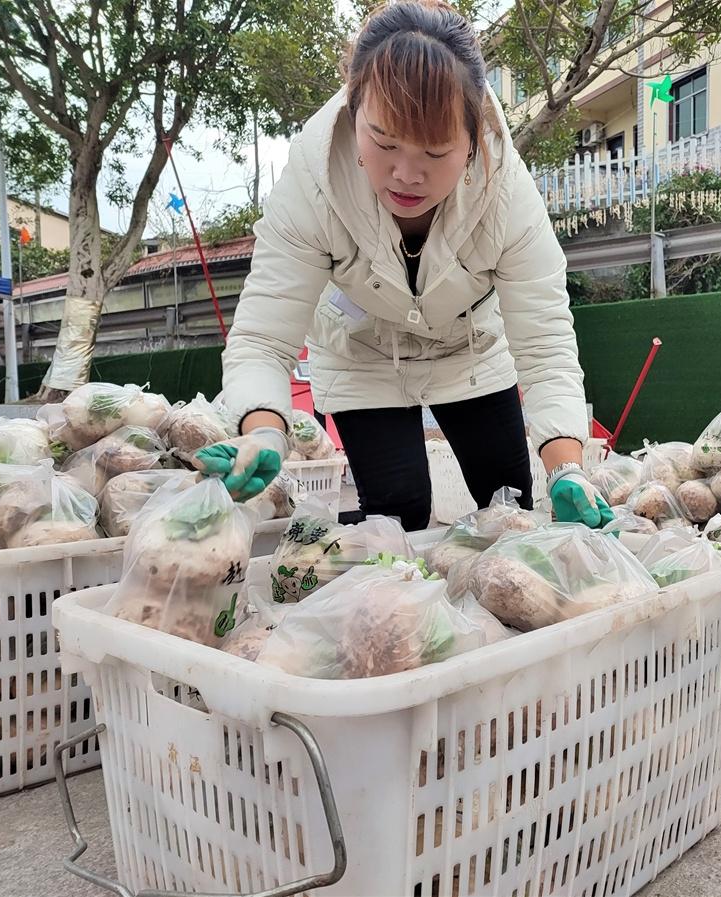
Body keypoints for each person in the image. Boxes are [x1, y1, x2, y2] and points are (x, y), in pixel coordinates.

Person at [196, 0, 612, 532]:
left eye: (436, 153)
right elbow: (263, 337)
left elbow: (547, 346)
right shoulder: (311, 178)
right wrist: (262, 430)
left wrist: (567, 469)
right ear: (353, 110)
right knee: (398, 514)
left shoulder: (507, 193)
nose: (405, 175)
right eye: (385, 142)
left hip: (471, 351)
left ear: (473, 139)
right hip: (363, 352)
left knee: (507, 505)